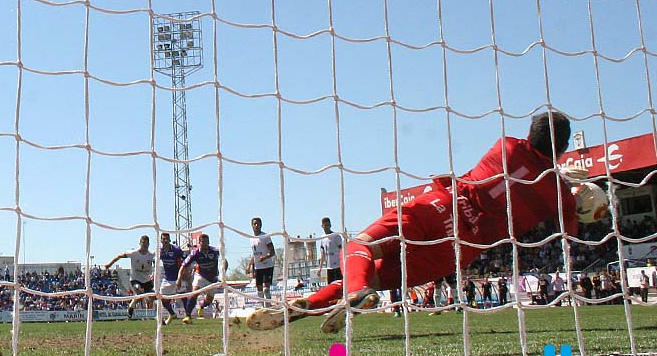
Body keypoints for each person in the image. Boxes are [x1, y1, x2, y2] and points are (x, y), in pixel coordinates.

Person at [247, 111, 579, 332]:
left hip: (441, 207)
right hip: (461, 248)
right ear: (562, 147)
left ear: (530, 134)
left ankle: (327, 299)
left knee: (360, 247)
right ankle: (315, 304)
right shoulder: (559, 194)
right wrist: (577, 193)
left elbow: (525, 163)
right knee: (373, 281)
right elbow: (572, 232)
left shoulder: (505, 146)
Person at [176, 233, 224, 324]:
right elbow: (183, 266)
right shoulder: (195, 253)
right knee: (195, 293)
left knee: (209, 301)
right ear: (199, 243)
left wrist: (224, 268)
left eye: (206, 242)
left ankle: (202, 306)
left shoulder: (215, 251)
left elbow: (224, 260)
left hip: (213, 279)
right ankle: (188, 316)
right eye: (202, 242)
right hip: (201, 275)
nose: (205, 244)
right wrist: (179, 278)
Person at [105, 235, 155, 320]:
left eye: (146, 243)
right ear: (140, 243)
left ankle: (132, 312)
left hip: (147, 280)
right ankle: (137, 310)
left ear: (149, 244)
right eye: (143, 243)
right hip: (136, 279)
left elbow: (157, 261)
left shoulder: (151, 254)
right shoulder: (133, 253)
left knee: (149, 297)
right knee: (138, 289)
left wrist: (154, 273)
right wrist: (109, 264)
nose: (144, 245)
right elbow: (119, 256)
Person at [157, 232, 185, 325]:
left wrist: (182, 276)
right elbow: (155, 262)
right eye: (163, 239)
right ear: (161, 240)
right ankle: (172, 314)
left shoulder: (176, 250)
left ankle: (188, 316)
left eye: (167, 239)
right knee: (162, 298)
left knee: (184, 296)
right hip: (167, 278)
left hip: (179, 277)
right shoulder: (159, 251)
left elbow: (185, 260)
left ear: (169, 240)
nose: (165, 241)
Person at [247, 217, 275, 306]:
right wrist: (249, 266)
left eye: (258, 224)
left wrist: (264, 258)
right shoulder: (251, 238)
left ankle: (269, 306)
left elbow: (272, 252)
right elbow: (254, 254)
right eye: (254, 224)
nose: (256, 226)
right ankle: (263, 307)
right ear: (251, 225)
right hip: (258, 267)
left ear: (261, 225)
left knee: (266, 289)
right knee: (259, 290)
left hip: (267, 265)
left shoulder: (265, 237)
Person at [318, 217, 343, 284]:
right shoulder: (322, 238)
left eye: (328, 225)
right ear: (322, 226)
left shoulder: (336, 236)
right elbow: (323, 254)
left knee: (340, 285)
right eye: (325, 225)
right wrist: (320, 268)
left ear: (330, 225)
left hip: (338, 266)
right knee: (331, 286)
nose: (326, 227)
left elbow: (342, 250)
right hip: (329, 267)